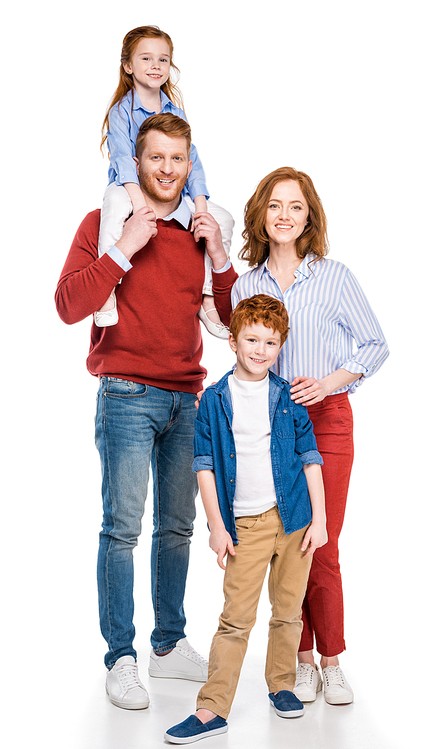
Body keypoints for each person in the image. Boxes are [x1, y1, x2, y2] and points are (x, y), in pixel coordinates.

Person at [55, 112, 238, 710]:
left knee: (179, 529)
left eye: (177, 159)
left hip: (186, 398)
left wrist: (219, 258)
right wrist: (124, 248)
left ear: (191, 166)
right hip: (127, 395)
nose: (166, 169)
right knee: (122, 530)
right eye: (155, 157)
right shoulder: (105, 222)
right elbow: (68, 303)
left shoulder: (197, 230)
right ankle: (121, 658)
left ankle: (166, 644)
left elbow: (236, 326)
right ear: (136, 162)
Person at [232, 167, 389, 706]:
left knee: (321, 543)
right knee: (286, 547)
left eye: (295, 207)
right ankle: (300, 661)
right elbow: (236, 343)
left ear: (309, 216)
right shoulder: (246, 284)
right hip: (268, 428)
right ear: (261, 214)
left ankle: (333, 660)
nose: (284, 215)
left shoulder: (335, 277)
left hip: (327, 420)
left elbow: (374, 345)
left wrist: (327, 384)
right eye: (274, 205)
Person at [165, 295, 327, 744]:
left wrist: (321, 519)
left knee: (288, 612)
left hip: (295, 519)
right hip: (247, 526)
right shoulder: (214, 400)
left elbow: (310, 459)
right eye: (251, 339)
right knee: (236, 620)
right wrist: (217, 526)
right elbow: (205, 467)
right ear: (233, 341)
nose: (260, 349)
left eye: (270, 342)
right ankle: (211, 709)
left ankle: (282, 685)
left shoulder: (287, 397)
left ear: (281, 346)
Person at [95, 25, 233, 337]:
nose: (156, 66)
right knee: (113, 208)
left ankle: (207, 296)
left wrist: (200, 207)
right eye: (146, 59)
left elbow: (191, 160)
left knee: (221, 219)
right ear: (129, 66)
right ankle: (107, 292)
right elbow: (121, 162)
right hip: (131, 189)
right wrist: (141, 207)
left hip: (173, 191)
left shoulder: (176, 111)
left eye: (163, 59)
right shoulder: (121, 112)